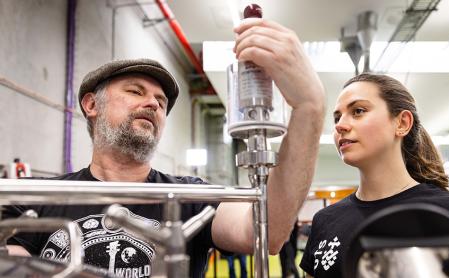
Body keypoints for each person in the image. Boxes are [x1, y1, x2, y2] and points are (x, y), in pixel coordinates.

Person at [4, 18, 325, 278]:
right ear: (91, 104)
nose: (153, 104)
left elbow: (268, 229)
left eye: (160, 102)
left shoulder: (191, 199)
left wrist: (309, 107)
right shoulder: (40, 197)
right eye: (135, 91)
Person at [299, 74, 449, 278]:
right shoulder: (326, 220)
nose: (340, 125)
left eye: (358, 111)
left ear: (402, 123)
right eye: (337, 117)